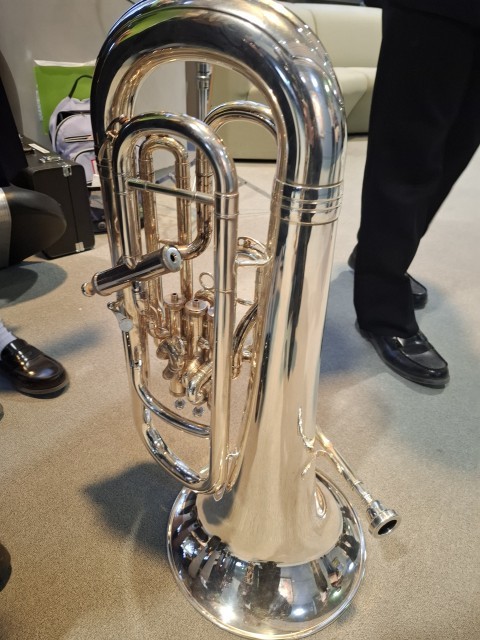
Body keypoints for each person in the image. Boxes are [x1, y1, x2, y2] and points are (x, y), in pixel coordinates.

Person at [350, 0, 480, 387]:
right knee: (408, 153)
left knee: (456, 148)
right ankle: (382, 308)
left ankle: (374, 253)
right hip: (433, 8)